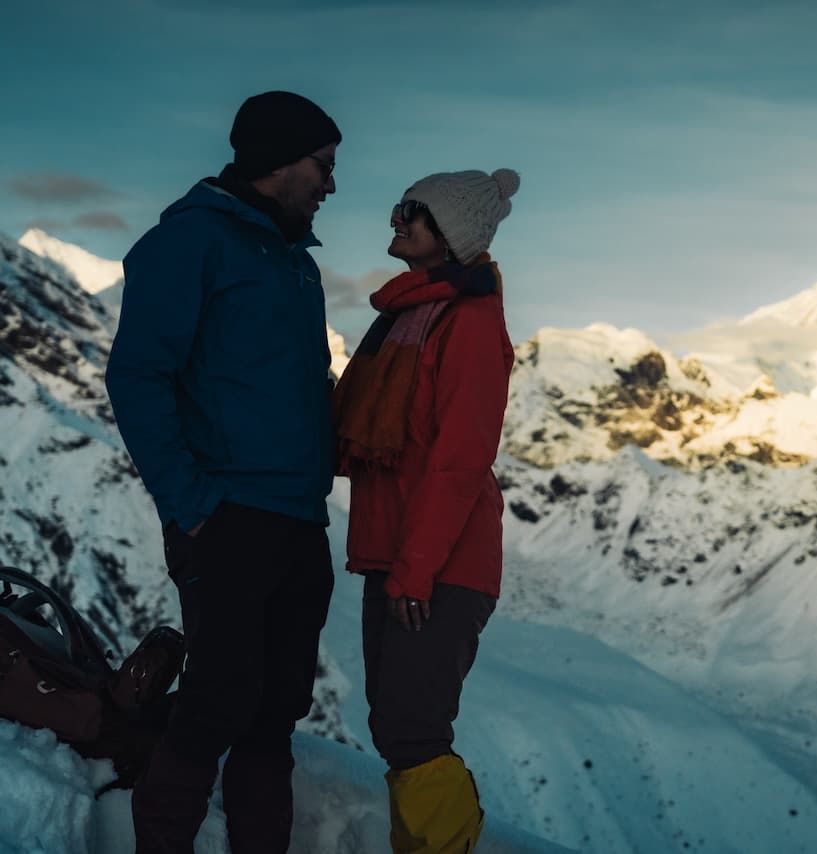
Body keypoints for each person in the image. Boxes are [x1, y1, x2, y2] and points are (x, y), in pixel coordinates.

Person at [105, 90, 341, 854]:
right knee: (216, 704)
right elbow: (138, 376)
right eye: (322, 165)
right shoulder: (191, 242)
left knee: (275, 713)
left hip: (299, 521)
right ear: (279, 158)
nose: (330, 184)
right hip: (228, 515)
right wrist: (192, 503)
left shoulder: (295, 264)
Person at [331, 169, 519, 853]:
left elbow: (459, 461)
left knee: (413, 734)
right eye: (401, 207)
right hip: (397, 554)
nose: (398, 219)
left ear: (454, 235)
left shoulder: (467, 322)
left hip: (439, 564)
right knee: (396, 730)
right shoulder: (406, 316)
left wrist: (415, 572)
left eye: (416, 212)